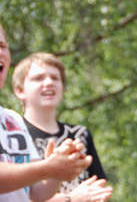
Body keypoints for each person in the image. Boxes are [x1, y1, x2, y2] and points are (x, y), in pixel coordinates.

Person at [0, 23, 92, 202]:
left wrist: (60, 167)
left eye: (2, 46)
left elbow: (36, 193)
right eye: (38, 78)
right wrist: (49, 169)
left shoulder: (12, 120)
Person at [12, 52, 113, 202]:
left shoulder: (80, 134)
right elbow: (17, 197)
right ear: (20, 91)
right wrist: (70, 199)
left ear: (63, 88)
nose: (48, 83)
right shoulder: (12, 135)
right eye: (38, 78)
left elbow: (99, 187)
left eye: (55, 78)